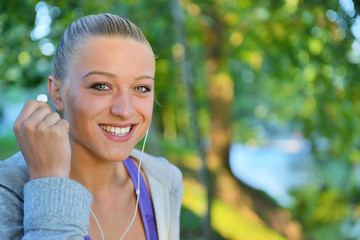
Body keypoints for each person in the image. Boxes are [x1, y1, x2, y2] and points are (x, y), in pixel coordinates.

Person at [0, 13, 183, 240]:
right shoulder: (5, 193)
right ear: (57, 93)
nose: (125, 110)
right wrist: (50, 183)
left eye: (141, 88)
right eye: (101, 86)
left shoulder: (165, 181)